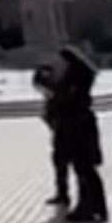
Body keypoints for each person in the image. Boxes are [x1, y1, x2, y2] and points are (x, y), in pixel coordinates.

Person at [53, 46, 109, 223]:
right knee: (86, 169)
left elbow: (67, 100)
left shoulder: (75, 80)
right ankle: (95, 206)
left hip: (77, 127)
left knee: (84, 168)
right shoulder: (77, 77)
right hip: (78, 125)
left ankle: (88, 206)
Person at [33, 64, 70, 207]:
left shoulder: (59, 96)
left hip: (66, 130)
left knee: (69, 164)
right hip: (59, 132)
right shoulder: (52, 97)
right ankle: (62, 192)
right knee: (60, 163)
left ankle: (66, 194)